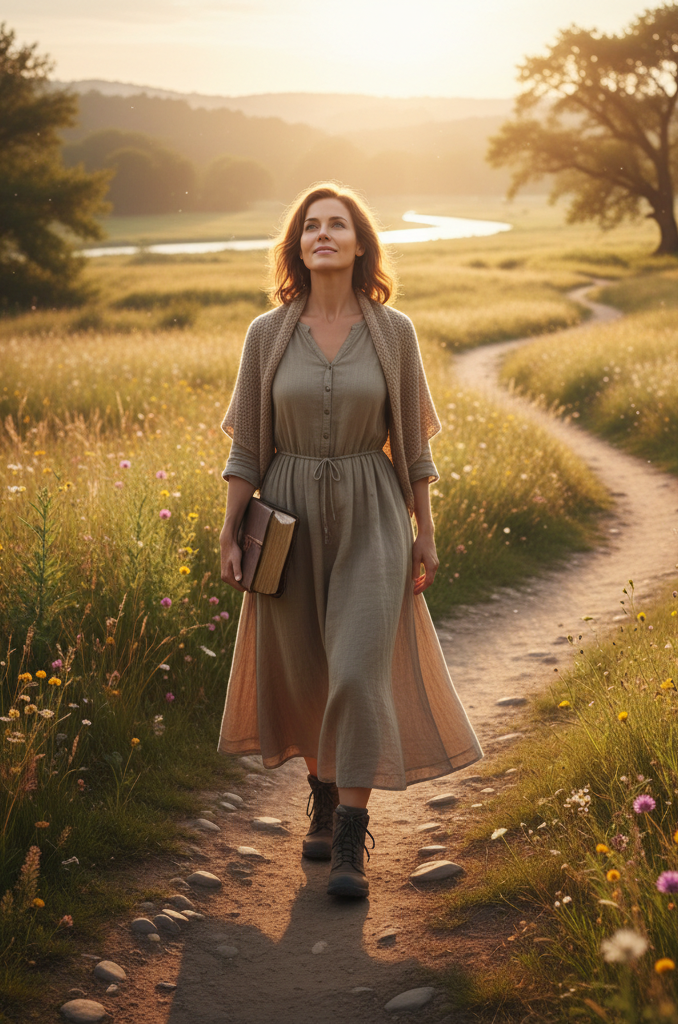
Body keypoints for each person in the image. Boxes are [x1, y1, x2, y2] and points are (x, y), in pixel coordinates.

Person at [216, 183, 482, 899]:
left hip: (374, 513)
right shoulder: (266, 335)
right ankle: (324, 792)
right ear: (297, 246)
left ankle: (350, 842)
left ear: (361, 243)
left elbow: (414, 449)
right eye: (311, 226)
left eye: (338, 225)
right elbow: (247, 448)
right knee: (307, 672)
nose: (323, 234)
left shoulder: (395, 332)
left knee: (360, 671)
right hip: (286, 517)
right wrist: (231, 529)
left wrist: (426, 529)